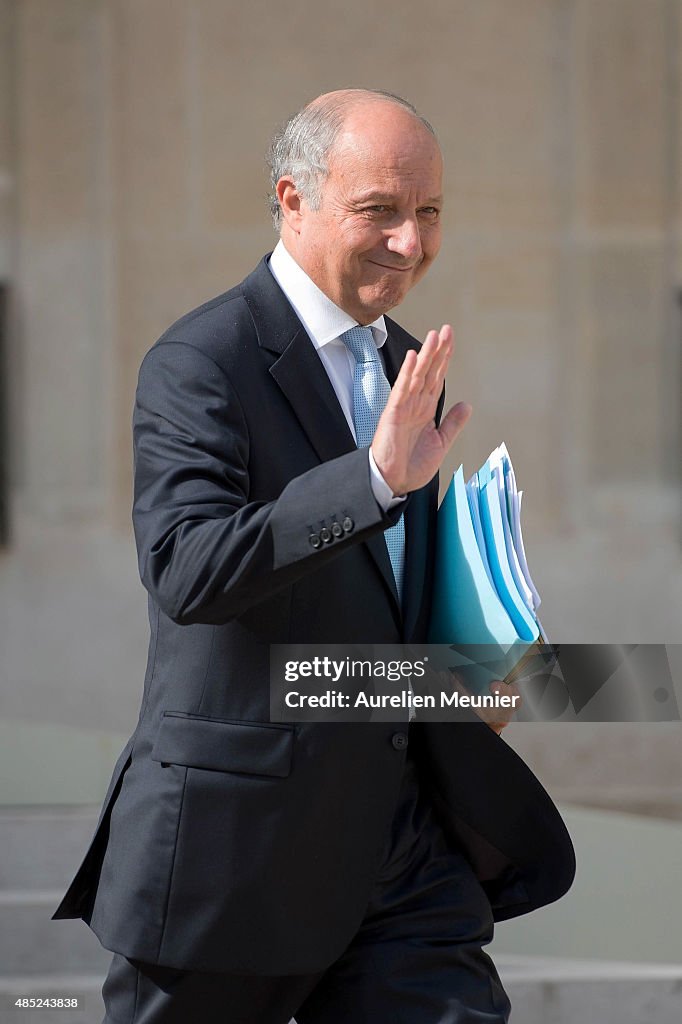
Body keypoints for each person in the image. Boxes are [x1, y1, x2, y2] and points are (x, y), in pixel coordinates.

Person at [53, 88, 574, 1024]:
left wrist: (466, 672)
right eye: (381, 210)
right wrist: (370, 480)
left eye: (429, 213)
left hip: (407, 858)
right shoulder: (201, 360)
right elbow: (186, 568)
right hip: (234, 856)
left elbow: (379, 601)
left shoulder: (406, 359)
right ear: (293, 199)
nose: (411, 242)